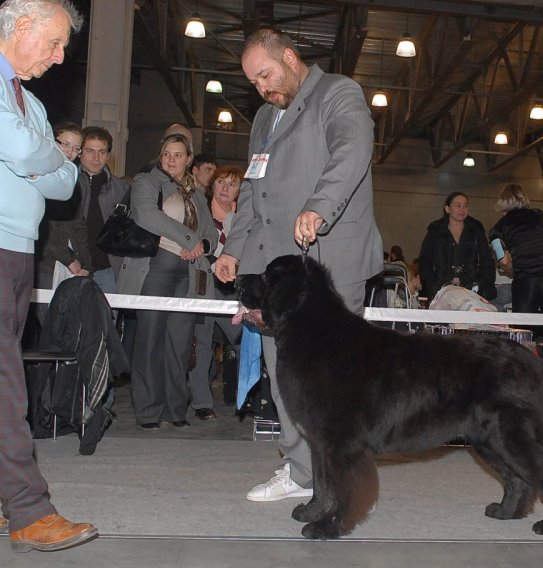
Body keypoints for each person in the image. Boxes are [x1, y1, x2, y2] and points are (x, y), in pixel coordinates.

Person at [215, 28, 383, 501]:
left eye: (266, 75)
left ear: (289, 57)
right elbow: (253, 191)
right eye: (254, 83)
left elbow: (353, 153)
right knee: (284, 370)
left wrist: (319, 206)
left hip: (331, 261)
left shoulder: (338, 93)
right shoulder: (264, 119)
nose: (263, 89)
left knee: (330, 376)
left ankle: (339, 475)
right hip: (278, 269)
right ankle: (300, 470)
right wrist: (235, 251)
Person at [0, 0, 97, 552]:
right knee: (7, 382)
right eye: (55, 42)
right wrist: (40, 155)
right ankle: (28, 509)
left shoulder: (29, 103)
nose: (60, 57)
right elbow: (20, 149)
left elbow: (67, 185)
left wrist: (37, 155)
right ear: (24, 25)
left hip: (18, 252)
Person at [117, 133, 218, 429]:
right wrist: (190, 238)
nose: (171, 159)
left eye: (177, 154)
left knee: (180, 345)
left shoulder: (197, 193)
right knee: (149, 341)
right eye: (166, 154)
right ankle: (148, 411)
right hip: (154, 269)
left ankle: (175, 410)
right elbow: (146, 215)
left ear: (189, 159)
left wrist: (203, 247)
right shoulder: (146, 182)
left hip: (187, 275)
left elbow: (210, 232)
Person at [188, 164, 243, 419]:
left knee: (246, 340)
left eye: (232, 184)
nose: (225, 188)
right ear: (212, 185)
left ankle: (251, 399)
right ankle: (201, 402)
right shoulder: (199, 211)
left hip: (235, 289)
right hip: (203, 283)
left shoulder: (246, 217)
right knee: (201, 342)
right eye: (221, 182)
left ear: (240, 191)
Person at [489, 184, 543, 338]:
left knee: (523, 333)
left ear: (502, 203)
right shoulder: (538, 215)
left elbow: (503, 261)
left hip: (525, 281)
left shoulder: (497, 229)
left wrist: (512, 271)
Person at [35, 122, 91, 312]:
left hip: (72, 263)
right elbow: (42, 225)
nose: (70, 152)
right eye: (65, 144)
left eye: (76, 148)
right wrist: (68, 259)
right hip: (46, 261)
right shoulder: (38, 174)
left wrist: (85, 262)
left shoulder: (77, 180)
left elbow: (79, 224)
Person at [77, 126, 129, 294]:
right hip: (73, 265)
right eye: (90, 151)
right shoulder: (66, 184)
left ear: (108, 155)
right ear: (80, 152)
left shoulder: (121, 189)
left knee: (107, 318)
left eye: (102, 152)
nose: (96, 158)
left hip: (108, 268)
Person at [418, 192, 496, 305]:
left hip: (472, 292)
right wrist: (433, 285)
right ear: (447, 209)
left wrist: (482, 285)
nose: (462, 209)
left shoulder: (476, 231)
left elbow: (487, 262)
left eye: (465, 205)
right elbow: (425, 262)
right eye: (457, 205)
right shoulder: (435, 231)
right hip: (441, 291)